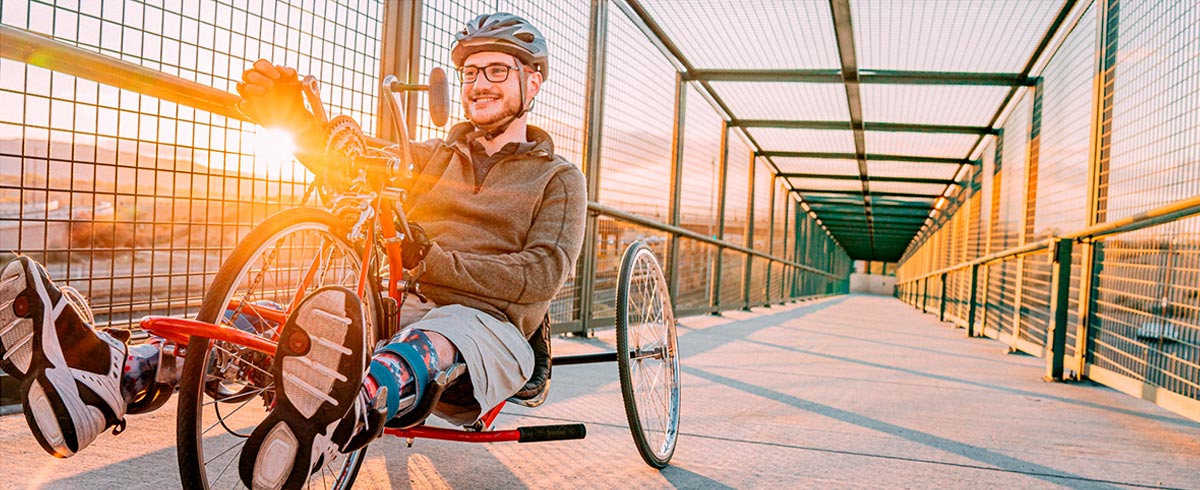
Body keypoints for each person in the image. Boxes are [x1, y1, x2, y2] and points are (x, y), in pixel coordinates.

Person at [0, 12, 587, 490]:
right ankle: (110, 375)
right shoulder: (432, 157)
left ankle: (344, 411)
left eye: (497, 71)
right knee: (271, 332)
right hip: (398, 309)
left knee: (433, 337)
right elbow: (354, 168)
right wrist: (297, 124)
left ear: (532, 82)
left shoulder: (558, 178)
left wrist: (429, 260)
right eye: (469, 73)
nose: (479, 83)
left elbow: (540, 277)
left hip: (489, 334)